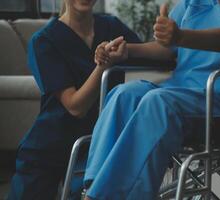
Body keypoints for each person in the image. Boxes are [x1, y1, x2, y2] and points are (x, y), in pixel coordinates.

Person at [83, 0, 220, 199]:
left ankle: (107, 195)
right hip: (181, 90)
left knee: (158, 102)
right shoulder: (193, 2)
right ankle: (93, 189)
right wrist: (127, 51)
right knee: (124, 94)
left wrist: (180, 36)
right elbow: (167, 47)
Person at [6, 0, 140, 199]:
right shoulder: (44, 41)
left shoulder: (111, 27)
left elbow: (158, 56)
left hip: (96, 145)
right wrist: (103, 66)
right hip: (49, 147)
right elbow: (76, 107)